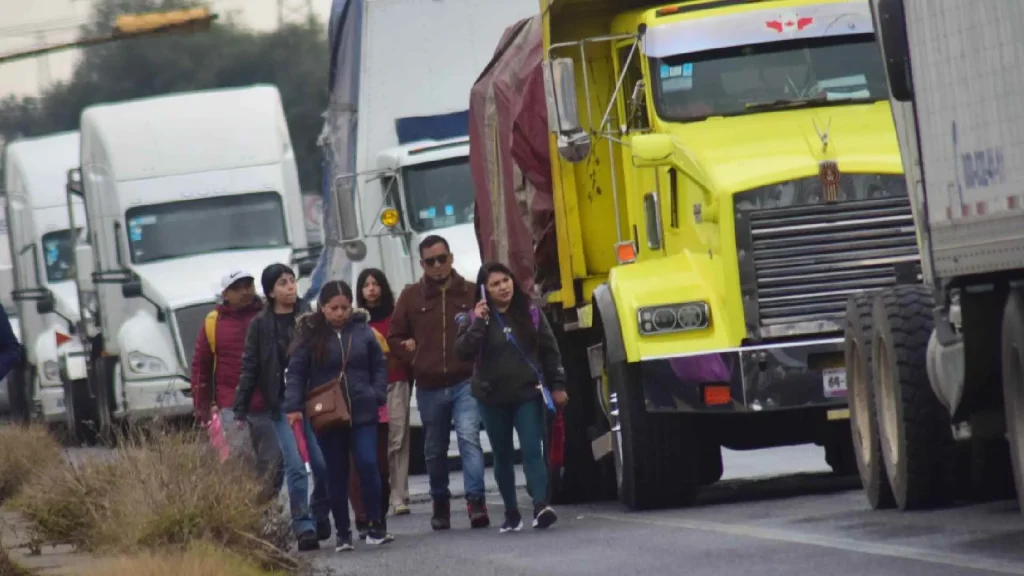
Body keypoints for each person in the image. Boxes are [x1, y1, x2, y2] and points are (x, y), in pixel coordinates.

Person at [455, 262, 569, 531]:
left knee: (532, 449)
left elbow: (551, 353)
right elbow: (462, 352)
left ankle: (541, 506)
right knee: (502, 454)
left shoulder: (531, 313)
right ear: (484, 290)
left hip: (527, 393)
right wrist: (479, 323)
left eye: (505, 280)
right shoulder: (472, 319)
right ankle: (511, 512)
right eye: (494, 284)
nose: (502, 287)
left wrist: (558, 385)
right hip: (491, 397)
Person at [387, 235, 489, 531]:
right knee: (434, 448)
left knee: (469, 438)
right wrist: (411, 355)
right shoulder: (410, 297)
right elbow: (392, 337)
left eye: (442, 258)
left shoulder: (470, 292)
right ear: (422, 264)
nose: (437, 266)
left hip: (464, 381)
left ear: (451, 258)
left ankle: (476, 502)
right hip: (429, 385)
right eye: (430, 261)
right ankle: (440, 503)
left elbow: (485, 328)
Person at [284, 280, 393, 551]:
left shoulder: (363, 332)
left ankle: (376, 523)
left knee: (368, 464)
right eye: (334, 308)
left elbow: (379, 364)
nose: (341, 313)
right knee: (337, 472)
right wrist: (294, 407)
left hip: (363, 408)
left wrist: (377, 392)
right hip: (328, 414)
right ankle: (343, 531)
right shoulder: (310, 336)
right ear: (322, 308)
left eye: (345, 307)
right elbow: (297, 374)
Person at [234, 264, 332, 551]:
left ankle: (319, 512)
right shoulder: (261, 324)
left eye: (292, 281)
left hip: (314, 401)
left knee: (322, 466)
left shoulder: (310, 318)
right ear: (270, 292)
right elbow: (250, 365)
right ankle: (303, 526)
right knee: (295, 467)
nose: (290, 287)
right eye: (282, 283)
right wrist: (240, 406)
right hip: (279, 405)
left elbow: (329, 352)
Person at [192, 269, 283, 500]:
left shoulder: (269, 314)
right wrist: (202, 406)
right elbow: (201, 366)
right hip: (231, 405)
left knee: (273, 461)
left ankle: (266, 504)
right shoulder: (213, 322)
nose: (244, 292)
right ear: (225, 293)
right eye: (237, 288)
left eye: (248, 285)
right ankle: (249, 509)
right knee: (240, 458)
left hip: (267, 403)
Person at [356, 268, 412, 517]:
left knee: (398, 438)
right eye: (366, 284)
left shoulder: (396, 316)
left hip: (396, 381)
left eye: (375, 283)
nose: (371, 288)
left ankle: (400, 495)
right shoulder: (357, 321)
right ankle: (380, 493)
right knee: (378, 442)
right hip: (368, 390)